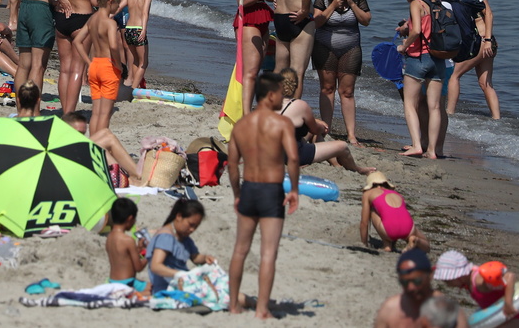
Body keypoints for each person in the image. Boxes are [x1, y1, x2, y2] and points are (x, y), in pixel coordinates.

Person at [228, 72, 299, 319]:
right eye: (280, 92)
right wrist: (294, 190)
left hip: (248, 188)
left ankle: (233, 306)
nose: (283, 96)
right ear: (270, 95)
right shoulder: (282, 124)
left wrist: (237, 193)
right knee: (269, 252)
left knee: (240, 249)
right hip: (270, 190)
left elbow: (233, 164)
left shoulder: (241, 126)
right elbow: (292, 157)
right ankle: (261, 310)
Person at [311, 0, 371, 144]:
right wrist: (333, 5)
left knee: (347, 91)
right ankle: (325, 130)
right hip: (324, 47)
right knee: (327, 88)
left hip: (350, 48)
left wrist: (352, 3)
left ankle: (351, 135)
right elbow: (317, 21)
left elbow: (366, 20)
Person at [276, 68, 374, 174]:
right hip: (293, 155)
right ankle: (357, 169)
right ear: (296, 86)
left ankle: (335, 164)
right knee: (342, 146)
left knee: (310, 134)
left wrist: (315, 121)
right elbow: (316, 129)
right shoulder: (300, 105)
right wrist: (323, 126)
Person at [396, 0, 446, 159]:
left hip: (419, 58)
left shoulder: (416, 3)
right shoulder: (433, 2)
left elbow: (417, 30)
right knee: (434, 107)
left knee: (410, 103)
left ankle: (417, 145)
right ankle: (432, 150)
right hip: (437, 58)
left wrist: (404, 46)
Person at [446, 0, 498, 118]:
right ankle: (497, 120)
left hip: (483, 41)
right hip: (484, 41)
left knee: (454, 75)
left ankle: (449, 114)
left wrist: (488, 40)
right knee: (485, 83)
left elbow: (488, 13)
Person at [75, 0, 126, 135]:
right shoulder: (110, 23)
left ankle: (93, 142)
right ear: (110, 2)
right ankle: (101, 144)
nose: (118, 8)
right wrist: (119, 65)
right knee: (105, 113)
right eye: (117, 4)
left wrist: (88, 62)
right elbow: (114, 46)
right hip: (108, 67)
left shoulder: (92, 19)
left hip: (94, 65)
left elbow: (77, 41)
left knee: (96, 112)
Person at [433, 251, 519, 325]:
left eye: (447, 280)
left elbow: (510, 276)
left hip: (514, 320)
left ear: (458, 275)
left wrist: (508, 303)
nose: (446, 284)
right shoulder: (467, 282)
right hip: (499, 320)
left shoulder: (479, 280)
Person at [375, 249, 468, 328]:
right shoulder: (390, 310)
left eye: (417, 281)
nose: (410, 287)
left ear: (430, 275)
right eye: (404, 282)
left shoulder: (449, 311)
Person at [232, 0, 274, 112]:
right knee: (250, 71)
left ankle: (252, 109)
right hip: (249, 20)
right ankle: (246, 113)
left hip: (261, 19)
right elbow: (241, 1)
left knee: (256, 69)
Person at [148, 199, 216, 293]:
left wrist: (205, 258)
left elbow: (195, 257)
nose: (192, 229)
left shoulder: (184, 237)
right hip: (168, 288)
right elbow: (155, 266)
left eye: (196, 226)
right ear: (179, 216)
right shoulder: (166, 237)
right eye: (191, 225)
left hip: (182, 283)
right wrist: (181, 275)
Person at [361, 171, 427, 253]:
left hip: (389, 229)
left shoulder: (368, 194)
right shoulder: (397, 194)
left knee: (373, 210)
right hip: (408, 227)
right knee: (426, 245)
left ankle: (387, 244)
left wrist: (364, 244)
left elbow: (364, 223)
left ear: (370, 185)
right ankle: (415, 240)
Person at [121, 0, 157, 90]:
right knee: (143, 63)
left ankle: (133, 86)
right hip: (138, 30)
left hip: (128, 30)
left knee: (135, 61)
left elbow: (116, 9)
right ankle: (134, 89)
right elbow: (145, 14)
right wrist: (143, 30)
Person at [106, 197, 147, 291]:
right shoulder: (128, 240)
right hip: (127, 283)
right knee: (152, 288)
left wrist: (139, 249)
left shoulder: (109, 238)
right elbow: (138, 267)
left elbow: (123, 258)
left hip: (112, 281)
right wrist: (149, 254)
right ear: (130, 219)